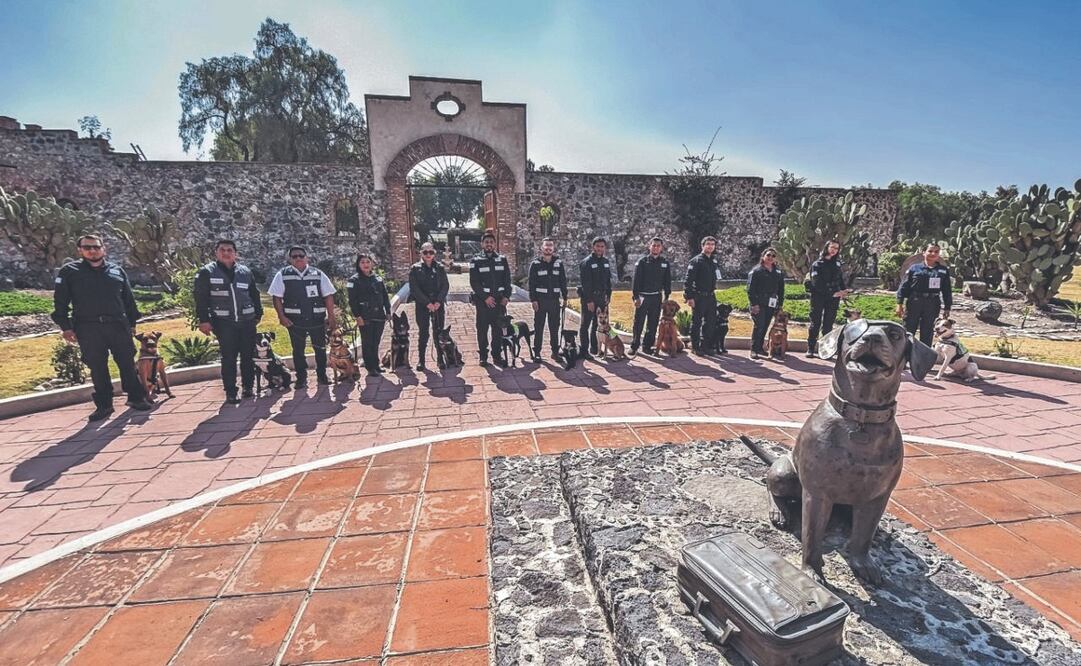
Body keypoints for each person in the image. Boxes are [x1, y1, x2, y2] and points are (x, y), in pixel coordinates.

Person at [51, 234, 153, 421]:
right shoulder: (70, 272)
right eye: (87, 247)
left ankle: (135, 398)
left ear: (103, 249)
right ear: (80, 250)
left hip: (117, 325)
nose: (92, 250)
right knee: (97, 366)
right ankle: (104, 405)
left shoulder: (116, 271)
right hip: (88, 327)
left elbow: (128, 300)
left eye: (96, 247)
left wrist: (132, 324)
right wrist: (66, 327)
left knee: (127, 363)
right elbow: (60, 303)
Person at [195, 240, 264, 404]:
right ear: (216, 253)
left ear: (236, 253)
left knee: (248, 356)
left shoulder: (245, 272)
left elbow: (254, 294)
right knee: (229, 357)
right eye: (222, 250)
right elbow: (201, 298)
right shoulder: (207, 272)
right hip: (224, 322)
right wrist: (204, 320)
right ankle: (231, 391)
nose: (226, 253)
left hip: (247, 321)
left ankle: (248, 387)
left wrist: (258, 313)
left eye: (230, 250)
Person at [267, 246, 336, 388]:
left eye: (301, 255)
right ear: (290, 259)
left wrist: (331, 316)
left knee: (320, 349)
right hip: (295, 321)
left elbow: (328, 295)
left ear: (306, 257)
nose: (298, 258)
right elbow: (277, 298)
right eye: (294, 256)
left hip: (316, 319)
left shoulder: (318, 274)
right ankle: (301, 378)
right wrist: (281, 317)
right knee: (298, 350)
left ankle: (322, 375)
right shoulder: (283, 275)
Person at [468, 231, 512, 367]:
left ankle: (497, 355)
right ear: (482, 244)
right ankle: (483, 356)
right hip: (483, 303)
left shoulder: (502, 260)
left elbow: (507, 280)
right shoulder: (475, 261)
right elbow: (474, 282)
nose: (489, 244)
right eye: (486, 242)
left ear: (494, 244)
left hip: (499, 302)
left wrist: (506, 296)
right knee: (482, 330)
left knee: (498, 330)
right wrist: (486, 298)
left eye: (491, 242)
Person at [896, 243, 952, 347]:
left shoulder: (943, 270)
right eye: (930, 251)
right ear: (924, 253)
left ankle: (923, 358)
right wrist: (899, 303)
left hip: (932, 303)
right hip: (915, 301)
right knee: (909, 329)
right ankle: (905, 355)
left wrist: (947, 307)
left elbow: (947, 290)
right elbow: (904, 286)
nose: (933, 253)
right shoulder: (914, 268)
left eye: (936, 252)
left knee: (928, 331)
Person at [347, 254, 392, 377]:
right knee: (367, 342)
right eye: (362, 262)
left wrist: (388, 311)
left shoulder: (377, 278)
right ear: (358, 264)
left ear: (372, 263)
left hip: (379, 315)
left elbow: (385, 295)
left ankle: (376, 364)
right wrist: (358, 316)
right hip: (365, 316)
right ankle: (370, 367)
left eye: (368, 262)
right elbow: (352, 301)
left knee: (376, 342)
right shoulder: (354, 280)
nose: (366, 264)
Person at [409, 242, 450, 371]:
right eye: (425, 252)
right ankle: (421, 360)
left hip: (438, 305)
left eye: (431, 252)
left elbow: (445, 286)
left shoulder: (440, 268)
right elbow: (414, 288)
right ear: (421, 253)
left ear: (434, 254)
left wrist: (438, 301)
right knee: (423, 333)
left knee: (439, 332)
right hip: (423, 306)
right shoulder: (415, 269)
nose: (428, 255)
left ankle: (440, 358)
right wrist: (427, 303)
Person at [805, 241, 850, 358]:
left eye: (836, 248)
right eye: (832, 247)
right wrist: (832, 293)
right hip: (819, 296)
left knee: (828, 324)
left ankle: (825, 350)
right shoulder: (817, 264)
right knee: (815, 322)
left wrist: (844, 291)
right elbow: (817, 283)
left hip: (834, 298)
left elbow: (839, 279)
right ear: (827, 248)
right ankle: (810, 348)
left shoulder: (837, 264)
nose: (834, 250)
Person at [528, 237, 568, 362]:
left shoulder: (558, 263)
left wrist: (565, 297)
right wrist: (533, 300)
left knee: (554, 327)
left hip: (554, 301)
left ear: (553, 248)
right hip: (540, 301)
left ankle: (555, 352)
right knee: (539, 327)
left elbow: (563, 281)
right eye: (546, 245)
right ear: (542, 248)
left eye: (551, 245)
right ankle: (537, 353)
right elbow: (531, 284)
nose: (549, 248)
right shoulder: (535, 264)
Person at [630, 237, 672, 355]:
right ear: (650, 246)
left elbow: (667, 281)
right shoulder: (642, 262)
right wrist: (635, 297)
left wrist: (666, 296)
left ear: (661, 248)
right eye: (654, 245)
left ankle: (647, 346)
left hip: (656, 297)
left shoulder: (664, 263)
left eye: (658, 246)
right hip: (643, 297)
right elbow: (636, 281)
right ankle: (634, 346)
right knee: (638, 323)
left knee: (653, 323)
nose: (656, 248)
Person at [684, 236, 721, 355]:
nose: (710, 246)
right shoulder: (696, 261)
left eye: (712, 244)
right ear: (702, 246)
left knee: (710, 322)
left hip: (710, 296)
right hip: (698, 296)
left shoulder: (713, 261)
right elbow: (688, 281)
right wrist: (689, 297)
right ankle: (695, 346)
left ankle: (705, 346)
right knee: (697, 322)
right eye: (708, 244)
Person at [748, 247, 786, 360]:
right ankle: (753, 349)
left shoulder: (778, 272)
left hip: (771, 303)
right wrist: (754, 304)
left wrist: (780, 304)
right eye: (768, 255)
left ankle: (760, 348)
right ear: (763, 256)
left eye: (773, 256)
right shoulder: (756, 271)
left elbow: (781, 290)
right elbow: (750, 289)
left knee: (765, 326)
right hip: (758, 303)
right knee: (758, 326)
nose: (770, 258)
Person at [578, 237, 612, 360]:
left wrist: (608, 295)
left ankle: (594, 348)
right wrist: (589, 301)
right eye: (598, 246)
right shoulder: (586, 262)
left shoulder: (606, 262)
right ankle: (584, 350)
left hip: (602, 298)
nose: (600, 248)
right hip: (590, 297)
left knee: (596, 324)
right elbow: (585, 283)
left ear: (605, 248)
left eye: (602, 246)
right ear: (593, 247)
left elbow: (608, 280)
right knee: (585, 324)